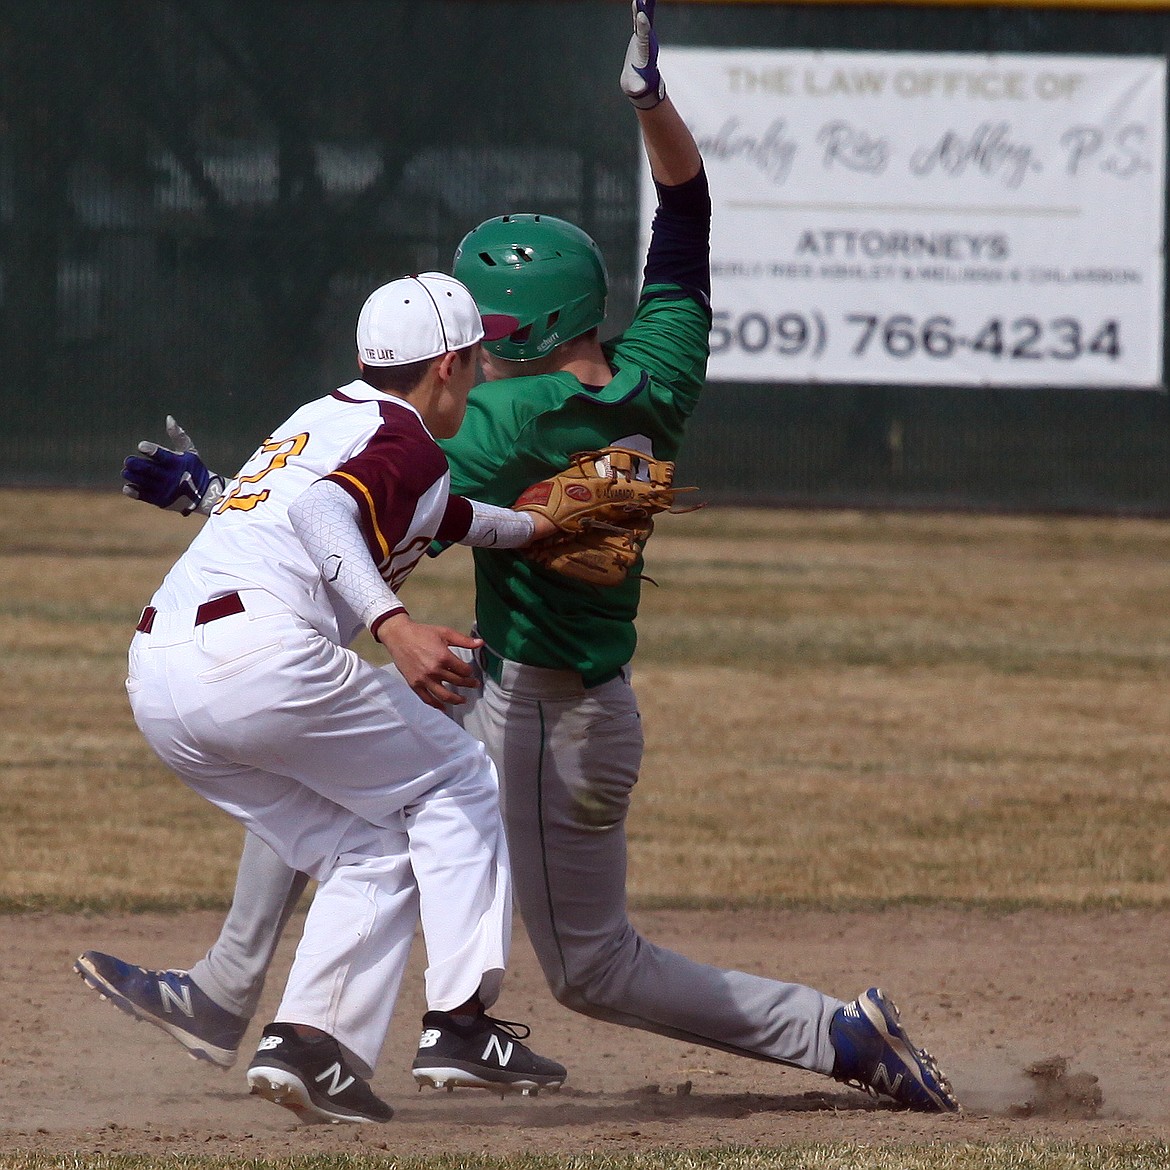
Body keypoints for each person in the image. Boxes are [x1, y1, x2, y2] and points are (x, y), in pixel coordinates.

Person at [79, 1, 959, 1114]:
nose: (472, 357)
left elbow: (338, 496)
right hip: (553, 697)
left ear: (514, 339)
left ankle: (815, 1035)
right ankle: (230, 992)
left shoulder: (496, 429)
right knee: (337, 739)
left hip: (544, 719)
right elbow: (684, 210)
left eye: (486, 333)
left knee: (592, 964)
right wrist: (649, 103)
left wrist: (213, 495)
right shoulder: (659, 371)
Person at [92, 270, 568, 1126]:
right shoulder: (412, 441)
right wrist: (394, 627)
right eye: (478, 353)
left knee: (367, 849)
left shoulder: (322, 417)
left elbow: (433, 516)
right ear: (450, 366)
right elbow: (321, 516)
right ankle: (460, 1024)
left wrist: (535, 528)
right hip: (259, 663)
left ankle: (311, 1045)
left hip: (159, 676)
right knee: (458, 780)